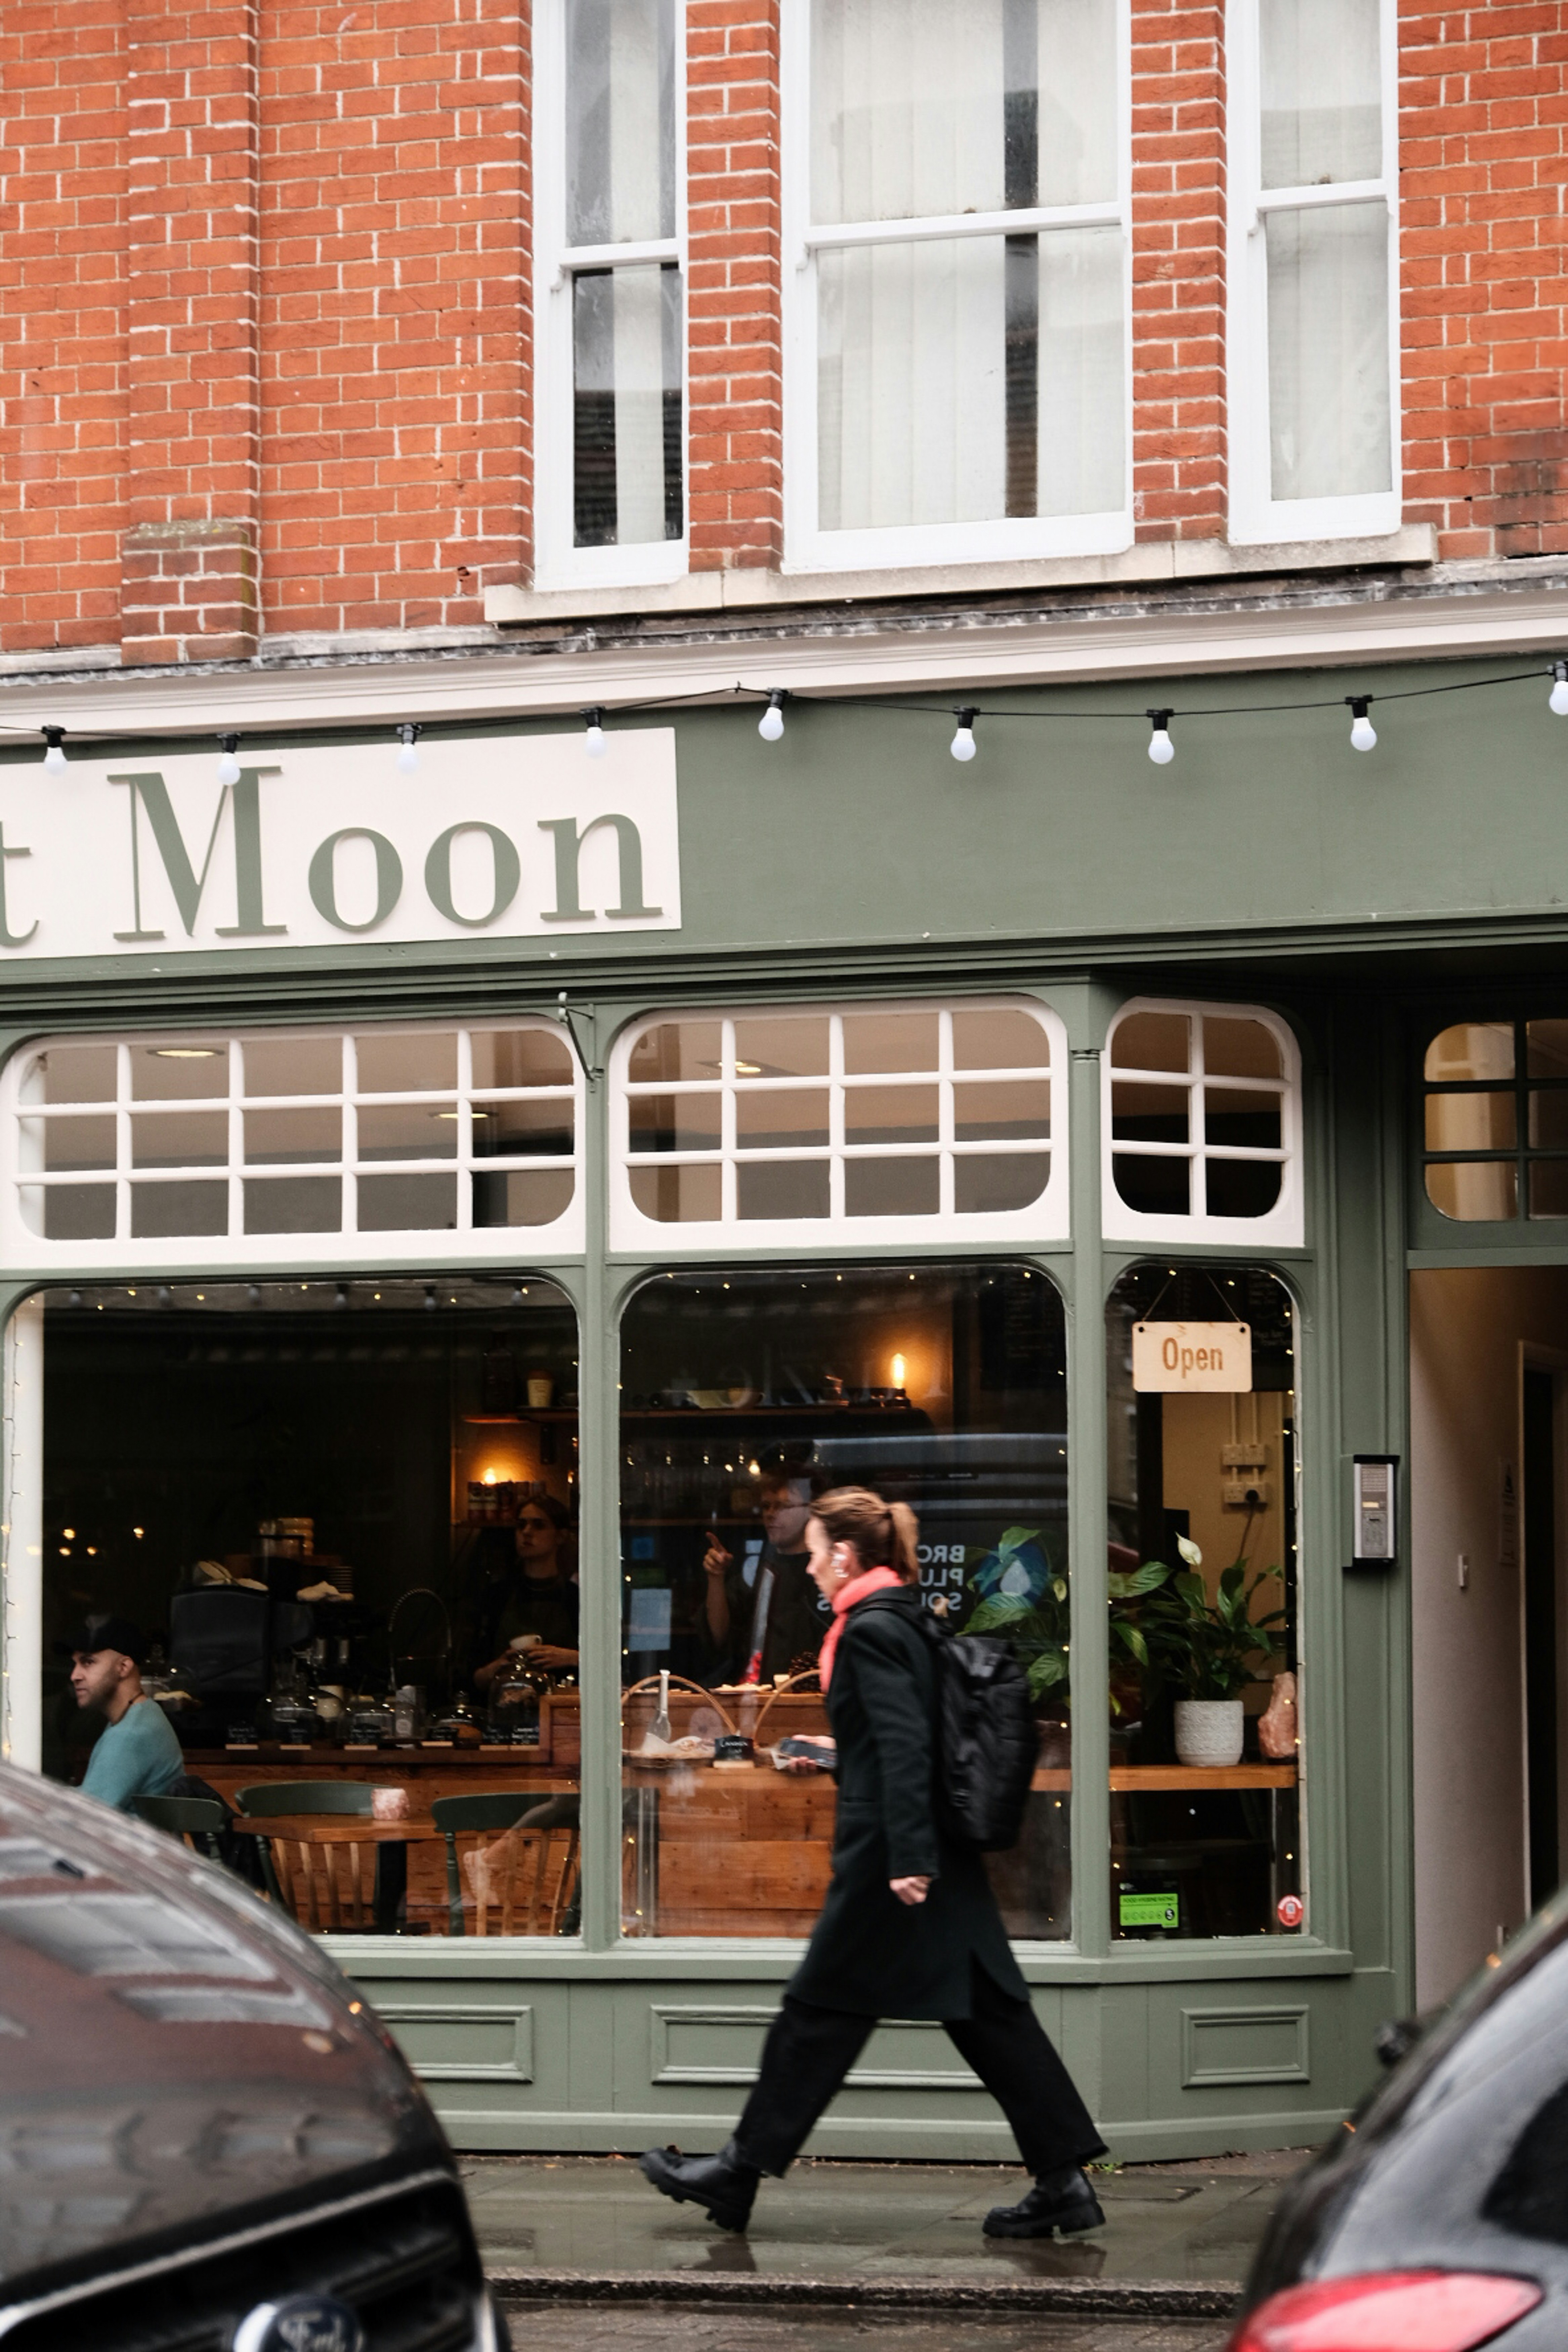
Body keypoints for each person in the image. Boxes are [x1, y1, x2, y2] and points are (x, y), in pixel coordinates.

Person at [641, 1486, 1107, 2241]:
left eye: (818, 1551)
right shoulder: (900, 1615)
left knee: (816, 2013)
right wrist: (830, 1755)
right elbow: (898, 1734)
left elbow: (903, 1746)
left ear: (846, 1556)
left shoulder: (867, 1630)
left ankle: (737, 2170)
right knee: (989, 2015)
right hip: (922, 1849)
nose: (811, 1566)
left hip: (893, 1857)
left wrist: (909, 1855)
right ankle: (1062, 2181)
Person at [702, 1459, 829, 1684]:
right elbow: (720, 1635)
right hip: (754, 1696)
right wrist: (716, 1578)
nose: (771, 1514)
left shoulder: (826, 1570)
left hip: (806, 1701)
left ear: (812, 1509)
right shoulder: (754, 1565)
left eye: (783, 1506)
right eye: (766, 1506)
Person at [69, 1615, 185, 1813]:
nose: (75, 1676)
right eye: (75, 1664)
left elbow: (85, 1818)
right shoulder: (142, 1715)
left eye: (88, 1663)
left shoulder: (131, 1734)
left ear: (123, 1668)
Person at [472, 1494, 579, 1693]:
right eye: (521, 1525)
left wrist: (571, 1657)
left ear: (561, 1536)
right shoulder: (496, 1597)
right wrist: (499, 1668)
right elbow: (473, 1677)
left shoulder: (577, 1598)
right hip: (507, 1706)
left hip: (566, 1711)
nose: (527, 1532)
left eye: (539, 1525)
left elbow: (610, 1661)